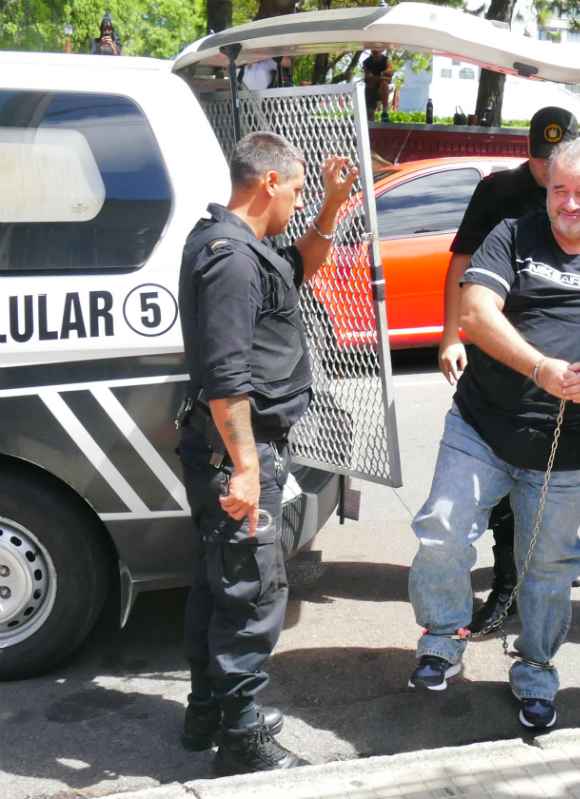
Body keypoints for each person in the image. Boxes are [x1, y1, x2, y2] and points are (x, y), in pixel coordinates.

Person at [407, 137, 580, 729]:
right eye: (561, 190)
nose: (571, 203)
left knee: (548, 568)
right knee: (441, 531)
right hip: (481, 425)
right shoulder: (513, 236)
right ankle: (442, 636)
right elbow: (475, 313)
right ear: (546, 190)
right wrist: (538, 366)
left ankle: (535, 670)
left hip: (568, 449)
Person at [439, 106, 580, 634]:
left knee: (546, 528)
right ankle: (505, 586)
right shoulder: (500, 196)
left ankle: (549, 569)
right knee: (485, 514)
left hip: (572, 417)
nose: (561, 191)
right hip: (502, 382)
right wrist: (451, 334)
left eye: (576, 185)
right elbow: (464, 263)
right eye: (546, 171)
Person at [176, 132, 358, 775]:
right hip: (237, 455)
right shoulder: (229, 258)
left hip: (230, 451)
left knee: (220, 584)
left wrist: (330, 207)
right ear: (270, 185)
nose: (299, 202)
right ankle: (242, 741)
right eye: (301, 190)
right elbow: (227, 378)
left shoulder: (241, 247)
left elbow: (297, 270)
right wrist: (249, 469)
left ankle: (207, 716)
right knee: (251, 595)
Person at [362, 49, 394, 122]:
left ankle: (385, 113)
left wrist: (374, 78)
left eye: (378, 48)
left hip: (382, 89)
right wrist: (383, 74)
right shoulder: (366, 62)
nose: (376, 50)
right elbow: (369, 80)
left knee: (384, 84)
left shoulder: (386, 60)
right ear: (371, 50)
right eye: (374, 48)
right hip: (371, 90)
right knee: (370, 117)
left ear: (382, 50)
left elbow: (388, 79)